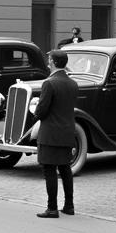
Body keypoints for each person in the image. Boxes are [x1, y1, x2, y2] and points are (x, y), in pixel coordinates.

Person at [33, 49, 79, 219]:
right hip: (67, 132)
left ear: (52, 62)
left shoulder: (49, 83)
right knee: (65, 169)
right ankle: (69, 205)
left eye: (49, 59)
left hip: (50, 133)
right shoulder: (73, 83)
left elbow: (42, 110)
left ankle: (52, 208)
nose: (47, 62)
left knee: (49, 170)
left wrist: (35, 112)